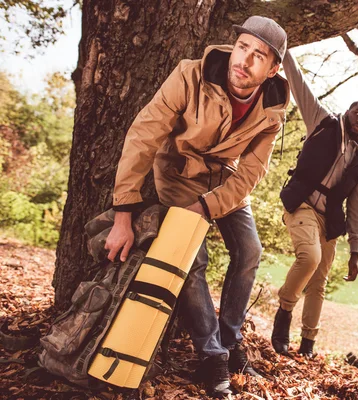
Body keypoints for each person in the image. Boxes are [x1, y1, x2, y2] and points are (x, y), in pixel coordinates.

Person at [104, 16, 289, 398]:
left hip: (226, 181)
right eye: (242, 48)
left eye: (259, 56)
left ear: (273, 69)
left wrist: (207, 207)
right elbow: (143, 137)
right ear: (233, 46)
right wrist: (124, 212)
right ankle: (211, 356)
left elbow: (251, 174)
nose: (245, 61)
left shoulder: (272, 111)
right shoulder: (189, 75)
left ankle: (230, 339)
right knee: (191, 259)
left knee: (250, 251)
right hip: (177, 173)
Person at [271, 50, 358, 358]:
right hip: (301, 203)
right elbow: (299, 83)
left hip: (329, 217)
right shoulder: (322, 120)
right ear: (348, 111)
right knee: (310, 258)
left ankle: (308, 345)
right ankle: (283, 314)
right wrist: (283, 50)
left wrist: (355, 251)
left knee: (319, 282)